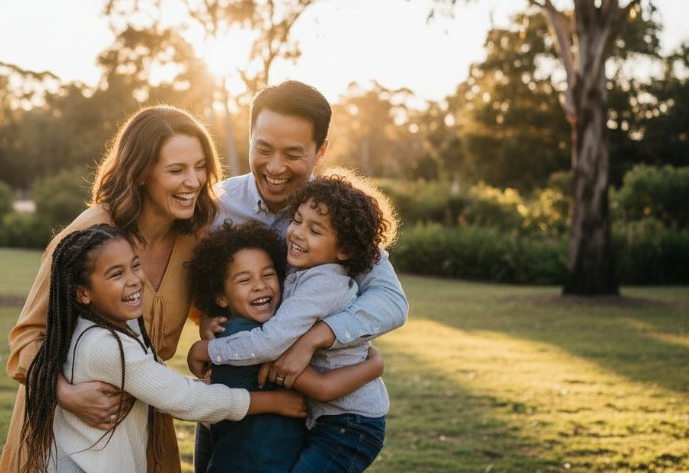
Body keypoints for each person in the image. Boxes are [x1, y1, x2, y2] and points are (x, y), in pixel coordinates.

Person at [192, 80, 409, 473]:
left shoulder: (337, 216)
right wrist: (202, 314)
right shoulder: (215, 207)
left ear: (320, 151)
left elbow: (391, 302)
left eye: (293, 154)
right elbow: (185, 277)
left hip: (311, 409)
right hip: (233, 391)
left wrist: (315, 337)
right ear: (250, 137)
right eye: (263, 149)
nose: (275, 167)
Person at [0, 105, 225, 473]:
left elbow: (197, 303)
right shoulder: (88, 236)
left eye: (200, 167)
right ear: (140, 174)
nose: (194, 181)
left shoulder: (193, 237)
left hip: (143, 421)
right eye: (176, 170)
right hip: (66, 427)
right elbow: (28, 336)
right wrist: (65, 393)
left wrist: (210, 321)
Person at [20, 224, 306, 472]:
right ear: (83, 292)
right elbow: (181, 398)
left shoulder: (120, 325)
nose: (134, 279)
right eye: (116, 274)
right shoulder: (103, 345)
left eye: (135, 265)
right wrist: (271, 402)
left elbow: (163, 382)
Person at [188, 221, 384, 473]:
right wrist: (375, 365)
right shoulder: (254, 342)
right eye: (244, 279)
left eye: (268, 275)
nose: (260, 285)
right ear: (221, 296)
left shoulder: (243, 333)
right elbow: (322, 388)